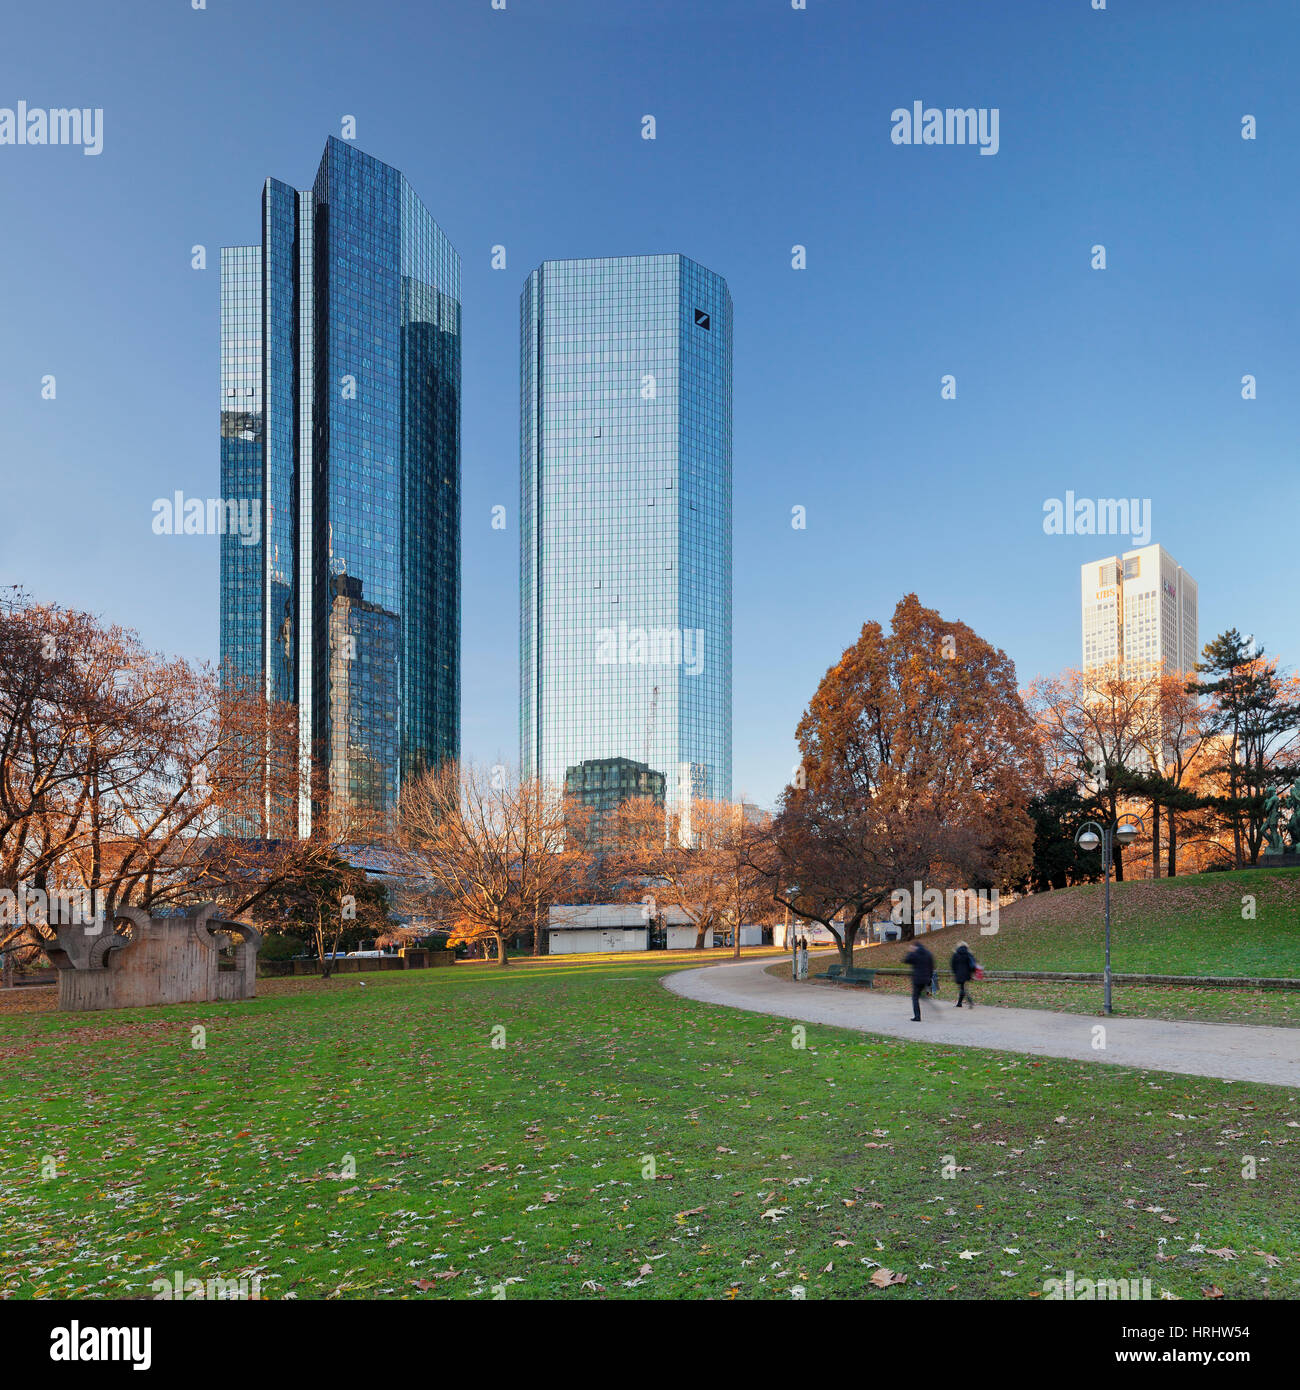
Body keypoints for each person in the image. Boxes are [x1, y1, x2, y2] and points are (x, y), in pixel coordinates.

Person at [903, 938, 935, 1022]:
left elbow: (906, 960)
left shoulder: (914, 954)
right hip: (926, 978)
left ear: (914, 947)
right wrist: (930, 977)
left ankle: (917, 1016)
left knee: (915, 998)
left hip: (917, 979)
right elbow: (932, 967)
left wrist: (910, 952)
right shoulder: (928, 953)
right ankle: (926, 1000)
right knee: (920, 995)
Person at [950, 940, 977, 1008]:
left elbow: (953, 964)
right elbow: (973, 964)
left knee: (962, 988)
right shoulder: (968, 953)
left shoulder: (956, 954)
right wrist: (972, 972)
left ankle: (969, 1000)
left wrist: (955, 972)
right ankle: (960, 1003)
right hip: (967, 973)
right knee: (963, 987)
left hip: (959, 973)